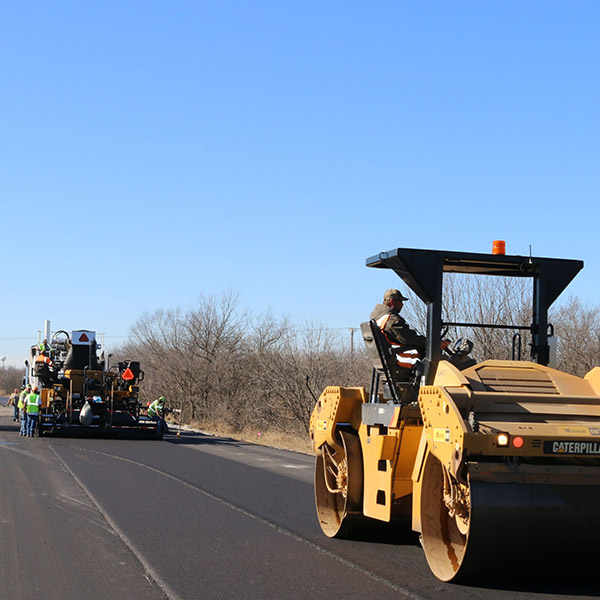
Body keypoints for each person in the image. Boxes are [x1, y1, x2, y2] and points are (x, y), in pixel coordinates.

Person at [371, 289, 449, 369]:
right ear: (392, 301)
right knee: (445, 363)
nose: (402, 305)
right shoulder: (392, 320)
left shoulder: (377, 317)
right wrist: (435, 344)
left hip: (388, 361)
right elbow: (410, 339)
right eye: (400, 302)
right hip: (401, 360)